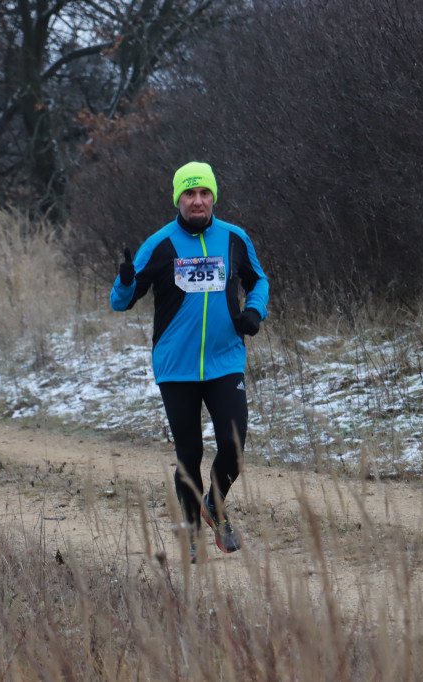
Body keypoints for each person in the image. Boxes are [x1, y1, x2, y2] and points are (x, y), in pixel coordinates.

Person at [110, 161, 269, 562]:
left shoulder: (234, 238)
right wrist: (126, 280)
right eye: (189, 194)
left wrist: (255, 311)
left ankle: (214, 507)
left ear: (213, 196)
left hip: (224, 360)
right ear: (178, 198)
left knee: (233, 445)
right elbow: (121, 302)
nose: (197, 201)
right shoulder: (160, 245)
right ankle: (193, 533)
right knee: (189, 453)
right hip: (176, 366)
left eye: (204, 193)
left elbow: (259, 281)